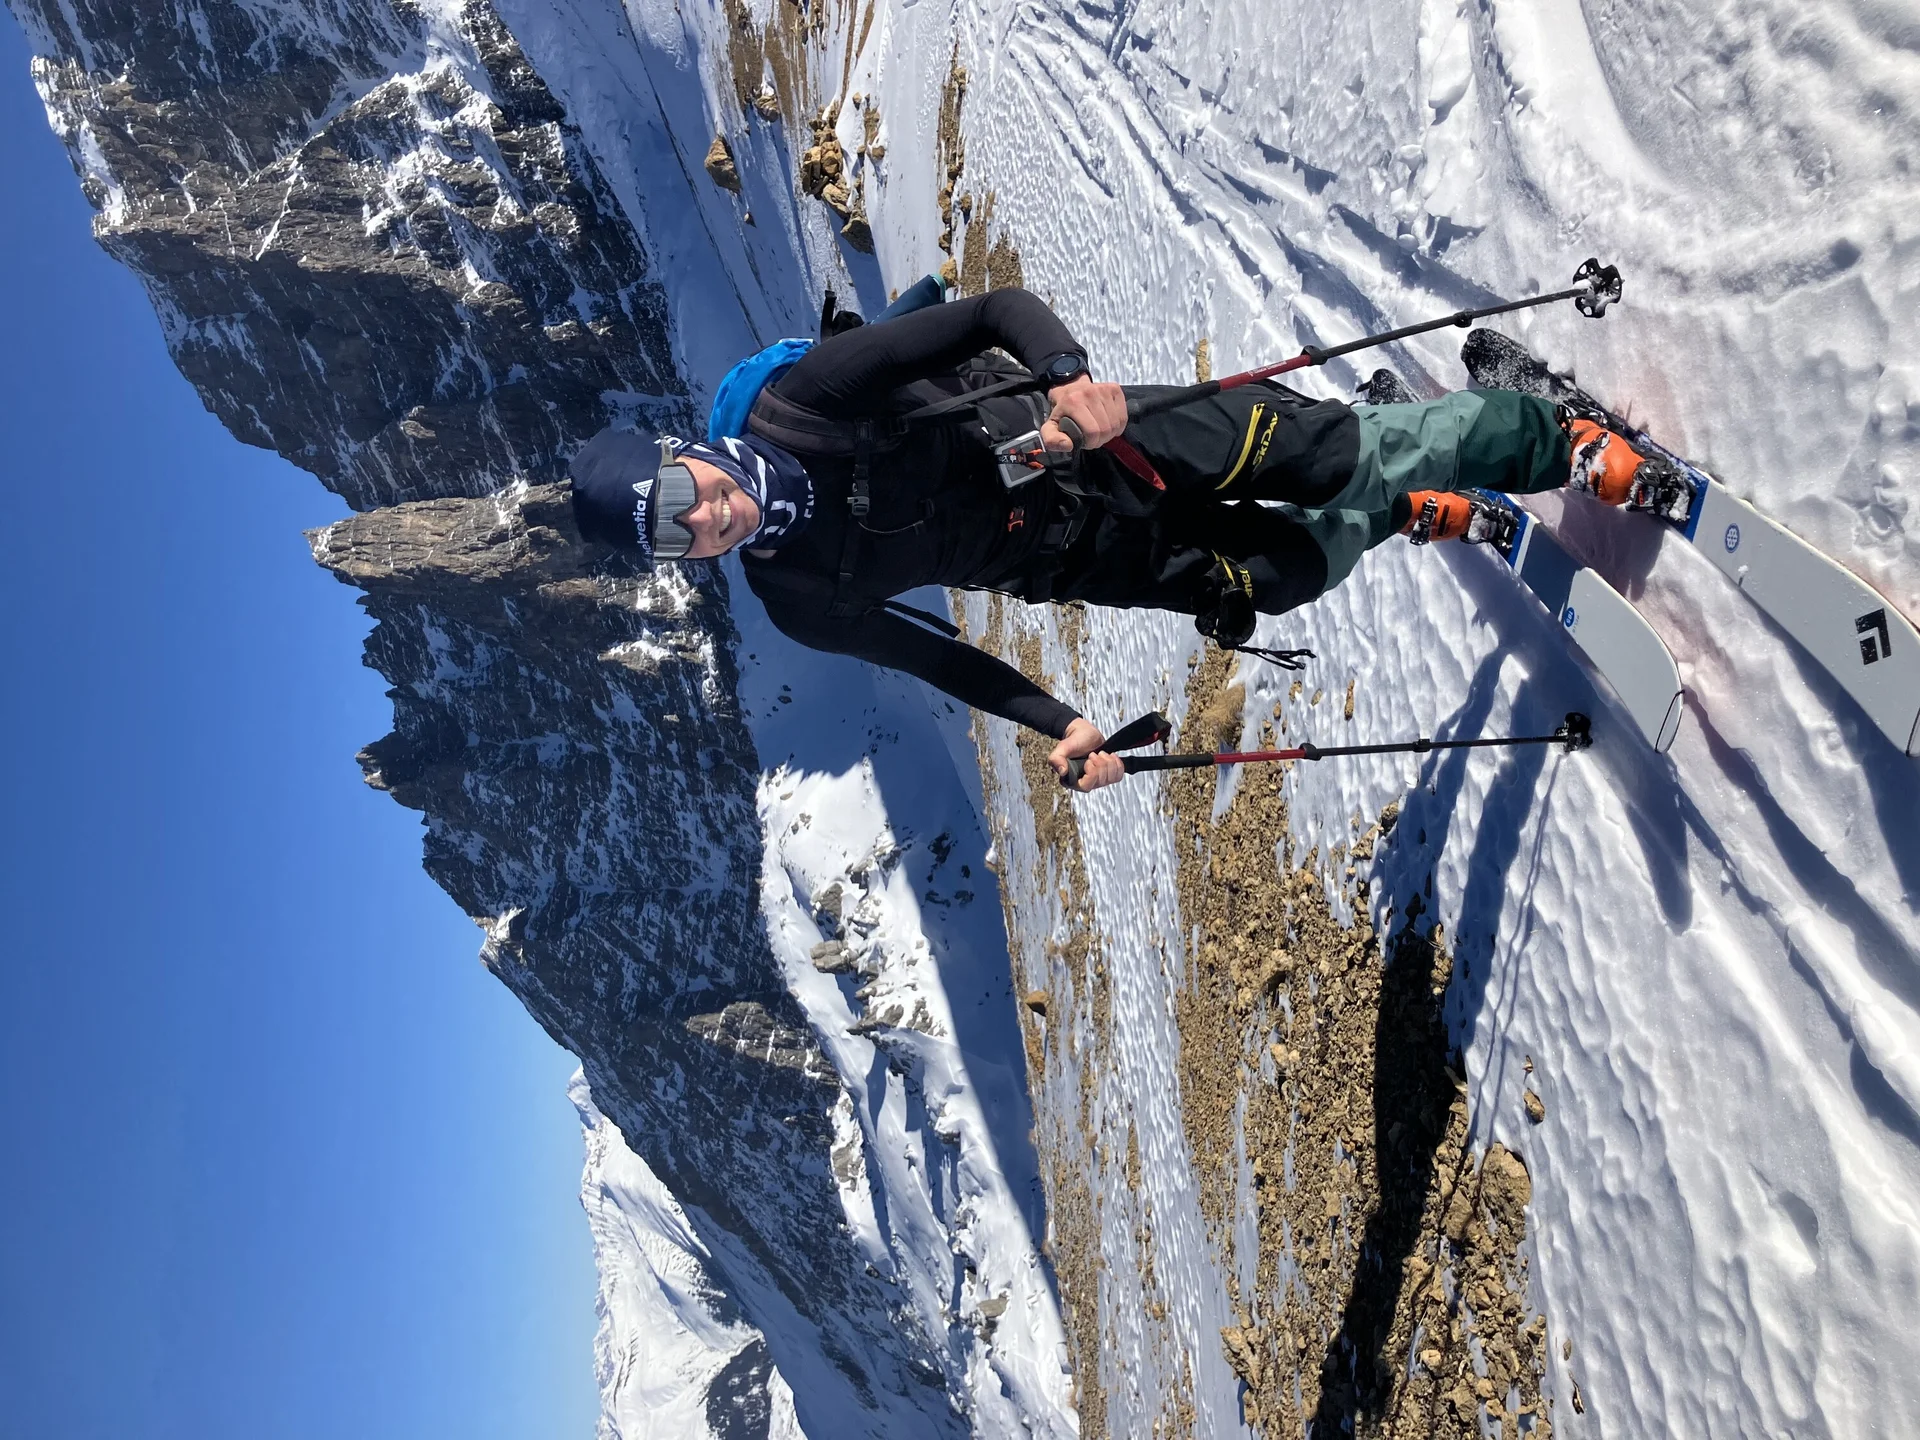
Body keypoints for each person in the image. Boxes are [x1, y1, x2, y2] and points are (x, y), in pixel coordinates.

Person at [568, 285, 1665, 792]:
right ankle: (1401, 501)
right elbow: (935, 657)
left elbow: (995, 310)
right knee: (1276, 579)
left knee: (1326, 458)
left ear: (684, 457)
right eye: (676, 537)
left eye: (680, 493)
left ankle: (1546, 433)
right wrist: (1066, 721)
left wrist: (1072, 383)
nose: (704, 518)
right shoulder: (795, 596)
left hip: (1096, 444)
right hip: (1076, 559)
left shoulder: (808, 403)